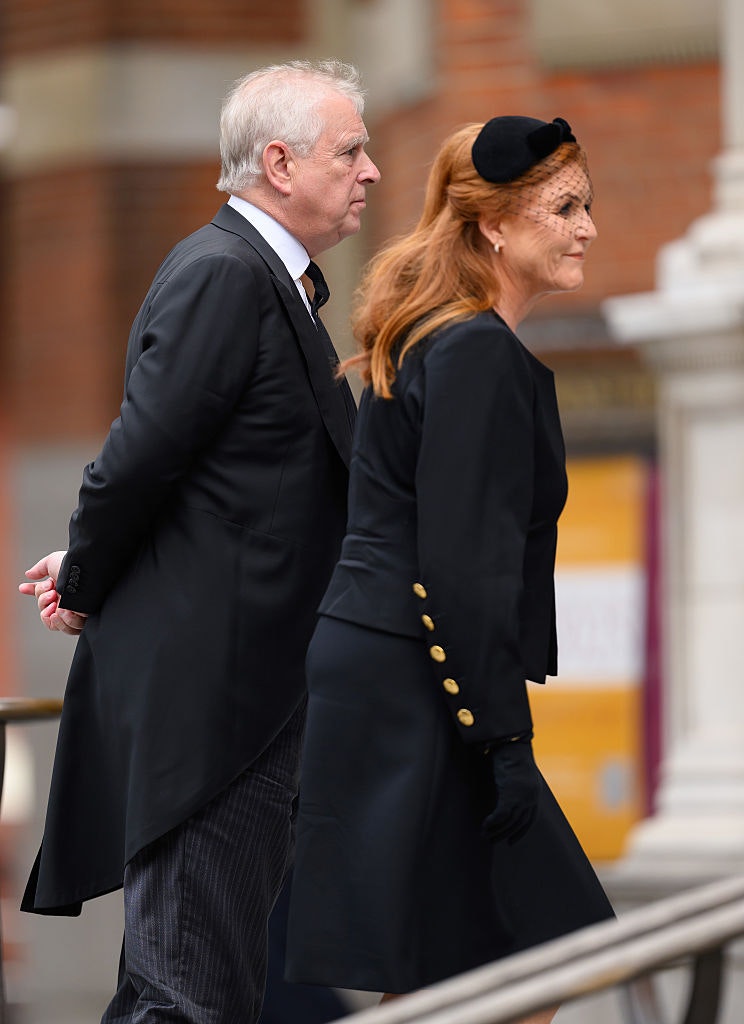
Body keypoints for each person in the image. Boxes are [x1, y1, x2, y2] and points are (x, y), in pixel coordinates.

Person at [18, 59, 379, 1024]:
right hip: (213, 713)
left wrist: (93, 563)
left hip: (244, 701)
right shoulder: (225, 274)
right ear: (278, 163)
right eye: (350, 150)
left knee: (183, 987)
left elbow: (212, 487)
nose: (371, 172)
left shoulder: (266, 279)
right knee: (189, 995)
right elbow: (141, 457)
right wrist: (89, 573)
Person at [284, 116, 615, 1024]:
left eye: (588, 205)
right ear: (494, 225)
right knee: (526, 956)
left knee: (471, 968)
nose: (588, 228)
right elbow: (462, 565)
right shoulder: (473, 351)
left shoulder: (445, 339)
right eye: (565, 207)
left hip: (401, 671)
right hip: (420, 683)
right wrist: (502, 741)